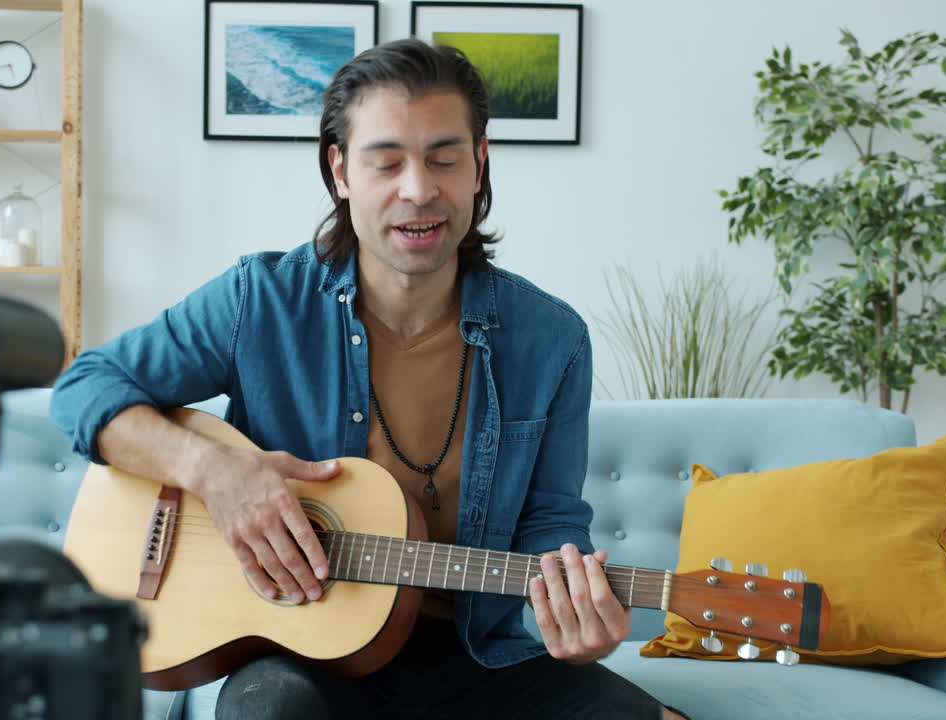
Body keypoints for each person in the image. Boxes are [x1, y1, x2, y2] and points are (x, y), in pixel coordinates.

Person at [51, 38, 683, 720]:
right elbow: (84, 387)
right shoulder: (258, 299)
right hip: (293, 651)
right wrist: (216, 473)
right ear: (341, 170)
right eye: (387, 161)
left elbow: (552, 522)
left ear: (479, 165)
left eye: (444, 158)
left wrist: (576, 611)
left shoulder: (552, 339)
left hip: (470, 656)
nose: (419, 189)